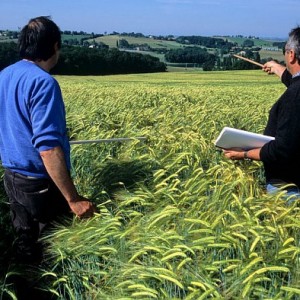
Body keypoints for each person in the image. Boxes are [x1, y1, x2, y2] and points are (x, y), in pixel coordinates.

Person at [0, 16, 96, 265]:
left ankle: (24, 286)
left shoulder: (4, 75)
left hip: (11, 177)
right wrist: (73, 200)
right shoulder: (44, 83)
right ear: (54, 46)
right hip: (40, 185)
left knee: (25, 242)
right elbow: (48, 148)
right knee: (52, 250)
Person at [223, 26, 300, 199]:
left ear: (292, 55)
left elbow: (282, 150)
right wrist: (276, 67)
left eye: (285, 51)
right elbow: (294, 80)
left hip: (289, 188)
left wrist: (243, 154)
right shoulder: (296, 88)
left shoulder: (294, 96)